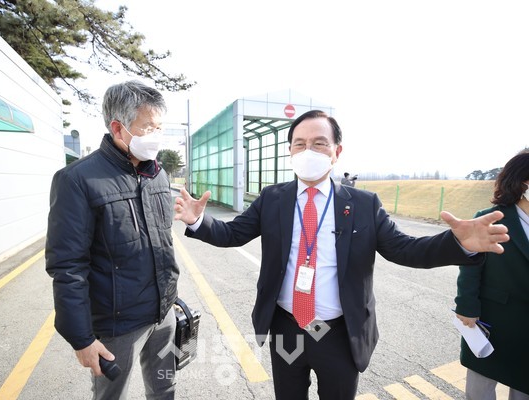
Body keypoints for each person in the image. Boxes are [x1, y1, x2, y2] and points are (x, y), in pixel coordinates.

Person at [173, 110, 509, 400]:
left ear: (336, 152)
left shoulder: (363, 205)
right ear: (289, 151)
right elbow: (233, 233)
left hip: (339, 332)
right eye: (299, 144)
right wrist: (199, 221)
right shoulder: (272, 198)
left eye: (319, 143)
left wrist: (457, 243)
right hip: (287, 326)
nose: (308, 150)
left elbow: (405, 248)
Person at [46, 80, 179, 400]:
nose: (157, 136)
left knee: (164, 389)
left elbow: (161, 243)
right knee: (111, 396)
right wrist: (81, 338)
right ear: (118, 128)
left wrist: (171, 296)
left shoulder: (157, 174)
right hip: (117, 327)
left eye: (160, 127)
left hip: (164, 316)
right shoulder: (78, 180)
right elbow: (67, 266)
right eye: (149, 127)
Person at [455, 149, 529, 399]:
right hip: (493, 319)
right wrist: (465, 306)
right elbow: (470, 269)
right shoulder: (488, 220)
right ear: (523, 182)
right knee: (480, 387)